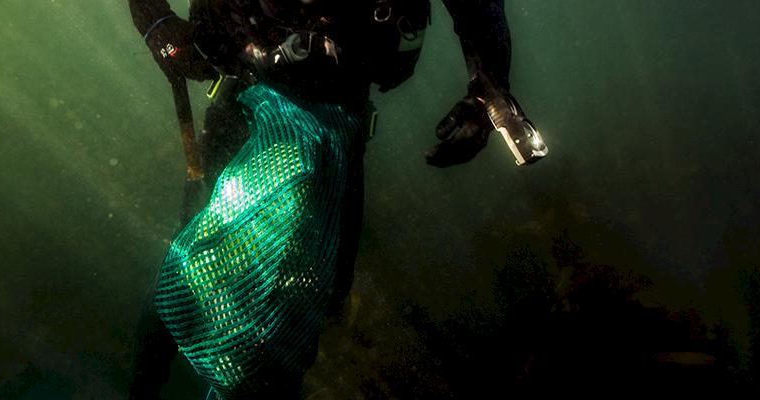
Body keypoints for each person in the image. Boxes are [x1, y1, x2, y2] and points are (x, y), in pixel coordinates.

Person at [123, 0, 544, 398]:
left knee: (315, 286)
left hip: (340, 112)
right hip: (253, 95)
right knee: (196, 263)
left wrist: (488, 92)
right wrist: (159, 27)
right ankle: (149, 385)